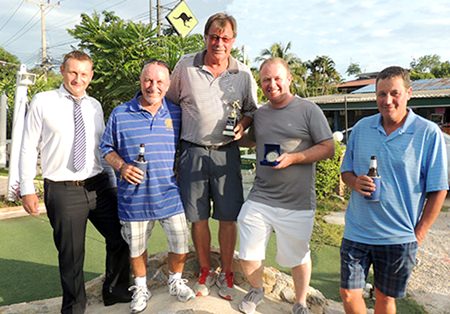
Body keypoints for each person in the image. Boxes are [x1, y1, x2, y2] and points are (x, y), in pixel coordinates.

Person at [19, 50, 131, 314]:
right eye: (73, 72)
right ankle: (74, 308)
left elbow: (101, 147)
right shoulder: (43, 101)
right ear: (62, 71)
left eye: (83, 74)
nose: (77, 79)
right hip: (62, 189)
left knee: (122, 235)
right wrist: (26, 188)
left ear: (90, 76)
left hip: (99, 184)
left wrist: (112, 183)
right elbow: (27, 147)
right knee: (71, 256)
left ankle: (115, 291)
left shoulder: (94, 106)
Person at [339, 66, 448, 314]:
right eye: (381, 94)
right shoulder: (362, 128)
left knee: (385, 299)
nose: (387, 101)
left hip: (398, 236)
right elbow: (346, 172)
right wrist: (355, 182)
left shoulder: (428, 133)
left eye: (394, 93)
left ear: (409, 93)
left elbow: (438, 189)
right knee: (347, 293)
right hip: (358, 230)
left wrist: (419, 233)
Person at [166, 12, 258, 300]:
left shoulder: (242, 73)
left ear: (233, 41)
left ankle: (227, 271)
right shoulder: (185, 65)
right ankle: (205, 269)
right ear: (205, 37)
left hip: (226, 153)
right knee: (198, 217)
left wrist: (243, 124)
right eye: (214, 37)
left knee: (228, 217)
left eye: (225, 38)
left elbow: (252, 110)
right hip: (192, 150)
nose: (219, 43)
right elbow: (168, 103)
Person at [237, 57, 335, 314]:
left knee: (298, 256)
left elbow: (328, 148)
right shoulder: (260, 114)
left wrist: (295, 158)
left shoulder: (308, 110)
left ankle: (300, 302)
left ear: (289, 79)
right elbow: (252, 141)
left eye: (277, 78)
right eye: (266, 80)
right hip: (261, 196)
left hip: (297, 201)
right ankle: (257, 289)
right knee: (247, 252)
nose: (272, 84)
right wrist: (237, 136)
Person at [100, 60, 195, 313]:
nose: (153, 86)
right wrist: (121, 166)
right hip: (134, 199)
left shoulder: (176, 113)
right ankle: (141, 287)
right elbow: (106, 148)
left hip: (170, 195)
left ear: (168, 84)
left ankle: (175, 281)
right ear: (141, 81)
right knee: (137, 249)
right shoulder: (121, 113)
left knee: (180, 244)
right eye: (148, 80)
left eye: (159, 81)